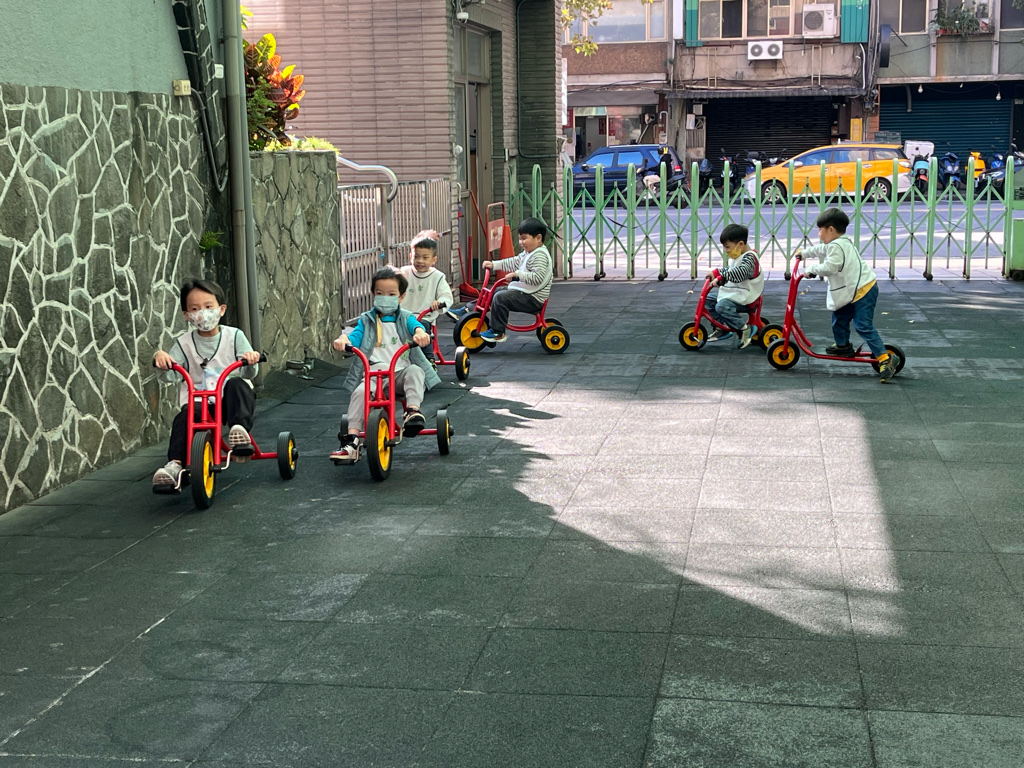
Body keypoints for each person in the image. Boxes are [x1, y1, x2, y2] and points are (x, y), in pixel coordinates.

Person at [151, 278, 260, 489]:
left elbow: (249, 371)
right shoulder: (183, 343)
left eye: (209, 307)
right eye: (195, 309)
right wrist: (161, 358)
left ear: (221, 309)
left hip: (230, 402)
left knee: (236, 383)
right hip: (201, 404)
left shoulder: (234, 336)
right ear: (187, 315)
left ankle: (239, 432)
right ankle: (175, 465)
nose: (202, 313)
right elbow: (169, 376)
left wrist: (250, 358)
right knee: (185, 417)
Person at [330, 266, 440, 463]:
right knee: (359, 393)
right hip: (374, 374)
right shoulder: (367, 320)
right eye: (380, 293)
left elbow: (416, 326)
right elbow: (355, 336)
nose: (384, 298)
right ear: (373, 294)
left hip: (399, 372)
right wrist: (344, 340)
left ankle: (412, 411)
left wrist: (420, 333)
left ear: (401, 297)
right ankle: (352, 441)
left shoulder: (405, 317)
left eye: (391, 294)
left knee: (415, 371)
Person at [796, 207, 898, 382]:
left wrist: (810, 270)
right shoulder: (840, 242)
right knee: (839, 316)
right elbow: (822, 249)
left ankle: (885, 358)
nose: (819, 234)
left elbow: (830, 267)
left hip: (863, 291)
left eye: (820, 230)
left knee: (863, 325)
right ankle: (842, 346)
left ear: (830, 229)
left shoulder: (837, 246)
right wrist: (804, 253)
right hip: (854, 289)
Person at [467, 217, 553, 344]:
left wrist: (517, 275)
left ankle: (498, 332)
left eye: (524, 238)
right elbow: (514, 262)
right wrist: (494, 265)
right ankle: (470, 310)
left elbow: (537, 278)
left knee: (501, 297)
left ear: (538, 238)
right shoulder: (529, 252)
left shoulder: (540, 255)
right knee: (494, 292)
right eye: (520, 239)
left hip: (533, 299)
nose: (521, 242)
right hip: (526, 293)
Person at [703, 223, 764, 349]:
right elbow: (731, 269)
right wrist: (716, 273)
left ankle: (744, 328)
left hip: (746, 297)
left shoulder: (750, 259)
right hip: (737, 294)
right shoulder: (740, 256)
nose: (726, 251)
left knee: (721, 306)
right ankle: (721, 327)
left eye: (727, 247)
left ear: (740, 244)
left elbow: (740, 273)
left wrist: (722, 276)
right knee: (708, 299)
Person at [397, 229, 454, 362]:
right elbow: (393, 286)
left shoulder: (437, 277)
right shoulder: (404, 273)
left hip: (424, 317)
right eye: (416, 256)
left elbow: (446, 296)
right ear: (411, 256)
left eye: (425, 257)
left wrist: (439, 302)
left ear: (434, 260)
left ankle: (429, 360)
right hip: (403, 316)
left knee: (421, 328)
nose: (420, 261)